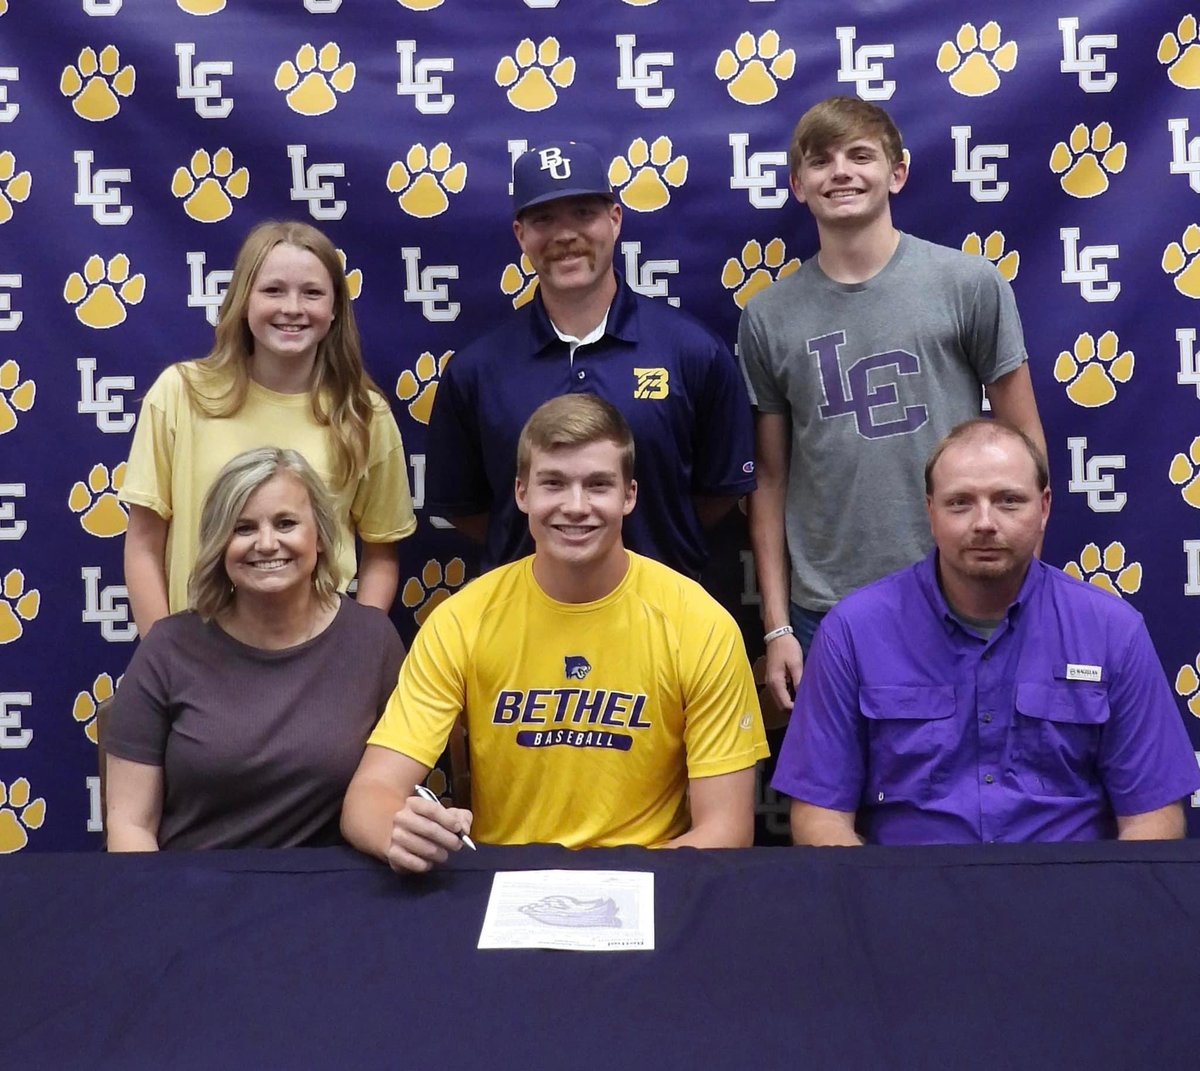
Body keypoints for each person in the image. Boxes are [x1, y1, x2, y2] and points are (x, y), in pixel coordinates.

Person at [341, 394, 769, 872]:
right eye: (554, 484)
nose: (576, 506)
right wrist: (396, 832)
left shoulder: (700, 625)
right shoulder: (463, 619)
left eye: (598, 485)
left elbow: (727, 829)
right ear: (522, 493)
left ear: (630, 495)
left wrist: (595, 889)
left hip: (648, 887)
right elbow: (368, 796)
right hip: (500, 885)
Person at [739, 97, 1046, 711]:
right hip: (826, 607)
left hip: (962, 586)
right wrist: (776, 628)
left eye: (861, 155)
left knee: (966, 787)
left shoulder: (968, 284)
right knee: (836, 794)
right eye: (820, 161)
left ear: (897, 172)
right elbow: (770, 479)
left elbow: (1025, 445)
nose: (841, 172)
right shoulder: (767, 316)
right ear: (798, 185)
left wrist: (1024, 590)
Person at [772, 420, 1200, 846]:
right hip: (906, 901)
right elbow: (819, 819)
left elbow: (1153, 821)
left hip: (1070, 902)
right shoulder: (852, 633)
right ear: (930, 511)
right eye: (960, 503)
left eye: (1008, 501)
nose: (984, 523)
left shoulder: (1113, 632)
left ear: (1045, 507)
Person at [426, 140, 755, 580]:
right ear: (521, 234)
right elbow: (468, 511)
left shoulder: (694, 353)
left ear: (615, 220)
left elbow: (717, 495)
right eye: (544, 219)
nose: (565, 235)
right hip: (525, 625)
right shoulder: (476, 370)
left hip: (661, 621)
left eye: (583, 213)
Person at [120, 220, 416, 636]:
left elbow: (382, 554)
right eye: (273, 290)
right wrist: (164, 659)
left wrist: (355, 652)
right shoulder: (180, 395)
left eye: (312, 293)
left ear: (334, 310)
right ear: (243, 301)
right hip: (196, 656)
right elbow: (144, 546)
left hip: (312, 662)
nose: (292, 308)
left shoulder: (363, 414)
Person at [105, 447, 406, 851]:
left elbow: (396, 791)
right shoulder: (168, 648)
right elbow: (129, 824)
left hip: (331, 898)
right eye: (243, 528)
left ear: (319, 537)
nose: (267, 543)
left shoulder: (373, 641)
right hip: (190, 896)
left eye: (286, 523)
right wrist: (162, 909)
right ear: (217, 543)